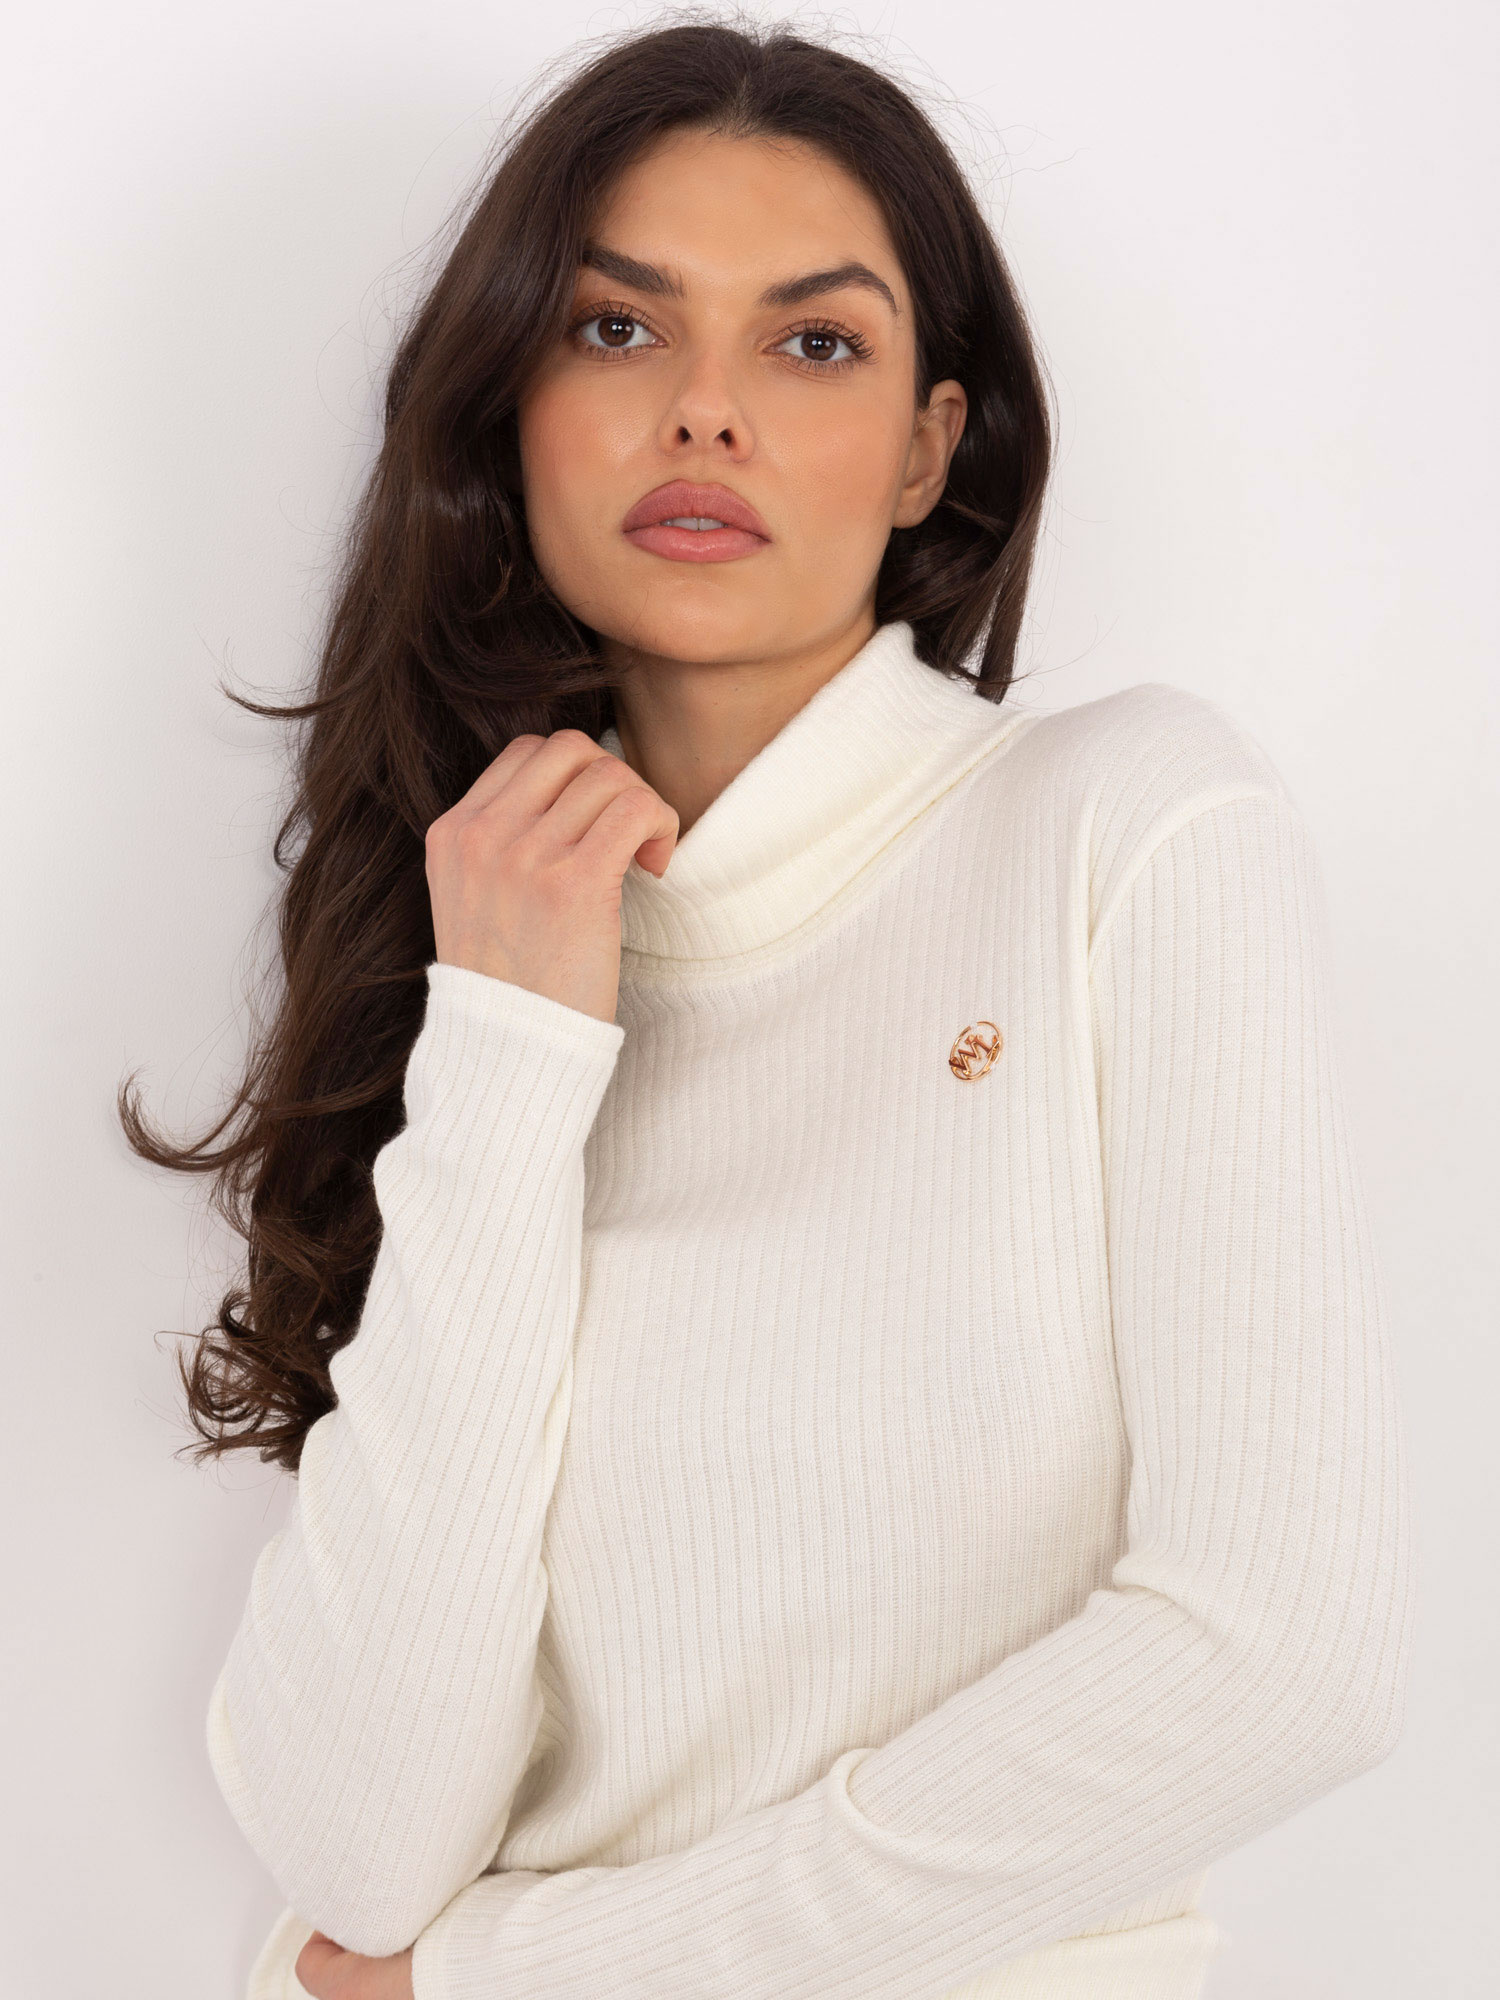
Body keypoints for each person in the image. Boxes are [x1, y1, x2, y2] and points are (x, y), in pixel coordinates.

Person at [124, 18, 1415, 2000]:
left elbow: (1284, 1653)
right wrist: (507, 1049)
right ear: (511, 409)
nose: (705, 412)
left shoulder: (1129, 822)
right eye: (617, 329)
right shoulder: (492, 968)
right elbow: (363, 1843)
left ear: (928, 446)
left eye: (812, 342)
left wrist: (533, 1973)